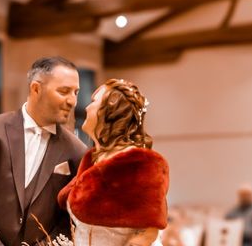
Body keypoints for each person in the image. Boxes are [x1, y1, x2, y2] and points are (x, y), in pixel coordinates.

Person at [0, 56, 86, 246]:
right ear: (36, 88)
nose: (72, 101)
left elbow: (68, 216)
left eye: (76, 92)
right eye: (64, 91)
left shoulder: (76, 151)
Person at [58, 78, 169, 246]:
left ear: (111, 111)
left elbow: (147, 234)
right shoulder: (91, 160)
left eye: (94, 102)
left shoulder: (140, 164)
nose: (86, 108)